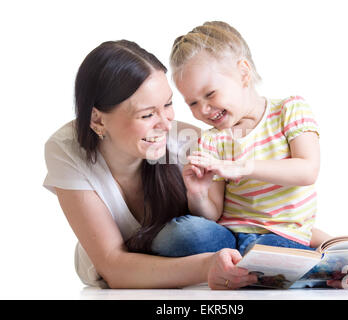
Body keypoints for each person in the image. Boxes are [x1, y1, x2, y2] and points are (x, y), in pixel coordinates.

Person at [43, 39, 259, 290]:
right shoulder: (67, 149)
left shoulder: (188, 141)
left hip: (196, 264)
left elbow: (252, 215)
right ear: (97, 119)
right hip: (131, 276)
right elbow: (113, 266)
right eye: (147, 115)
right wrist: (206, 266)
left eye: (168, 104)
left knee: (196, 234)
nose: (166, 125)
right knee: (191, 236)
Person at [169, 21, 348, 288]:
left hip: (279, 236)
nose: (204, 109)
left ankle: (332, 269)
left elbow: (307, 170)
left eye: (210, 94)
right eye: (192, 102)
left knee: (268, 251)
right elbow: (212, 214)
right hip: (229, 238)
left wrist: (244, 167)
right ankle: (264, 270)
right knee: (185, 232)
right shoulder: (211, 139)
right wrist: (197, 194)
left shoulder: (290, 110)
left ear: (243, 73)